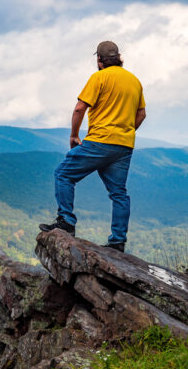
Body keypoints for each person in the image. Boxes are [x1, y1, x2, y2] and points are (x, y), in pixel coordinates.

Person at [39, 41, 146, 253]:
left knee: (63, 174)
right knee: (119, 194)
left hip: (99, 141)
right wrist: (125, 131)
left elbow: (80, 108)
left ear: (99, 60)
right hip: (123, 146)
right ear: (119, 57)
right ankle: (118, 241)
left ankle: (66, 222)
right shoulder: (134, 81)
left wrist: (73, 135)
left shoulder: (99, 77)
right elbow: (141, 114)